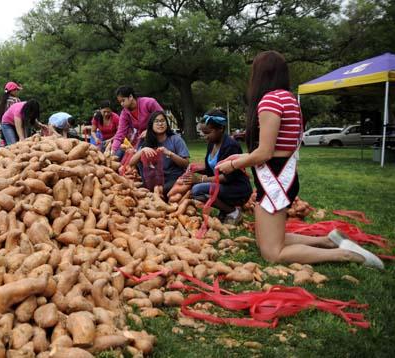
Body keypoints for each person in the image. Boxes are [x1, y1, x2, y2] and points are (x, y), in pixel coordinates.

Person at [215, 50, 383, 268]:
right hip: (283, 174)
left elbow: (265, 153)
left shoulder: (270, 100)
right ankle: (328, 241)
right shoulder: (289, 99)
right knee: (267, 241)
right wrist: (243, 156)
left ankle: (346, 256)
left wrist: (233, 164)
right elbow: (278, 148)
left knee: (272, 253)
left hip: (274, 179)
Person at [181, 109, 252, 224]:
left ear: (221, 129)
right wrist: (196, 169)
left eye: (208, 132)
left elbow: (228, 177)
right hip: (223, 187)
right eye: (203, 133)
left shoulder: (231, 146)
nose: (205, 136)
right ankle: (225, 209)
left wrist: (200, 179)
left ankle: (233, 211)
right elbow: (212, 170)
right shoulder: (212, 144)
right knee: (194, 186)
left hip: (238, 189)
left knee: (197, 190)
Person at [129, 111, 189, 194]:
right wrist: (143, 150)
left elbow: (186, 163)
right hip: (153, 179)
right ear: (151, 125)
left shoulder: (176, 139)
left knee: (158, 190)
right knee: (134, 190)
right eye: (157, 121)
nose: (160, 124)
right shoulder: (147, 141)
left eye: (163, 121)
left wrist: (170, 153)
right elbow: (131, 162)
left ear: (166, 123)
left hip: (173, 178)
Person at [112, 86, 163, 156]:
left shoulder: (149, 102)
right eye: (120, 102)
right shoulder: (124, 113)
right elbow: (120, 133)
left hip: (159, 135)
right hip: (142, 139)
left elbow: (162, 118)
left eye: (123, 100)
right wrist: (113, 151)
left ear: (130, 97)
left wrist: (150, 130)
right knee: (129, 159)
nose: (121, 104)